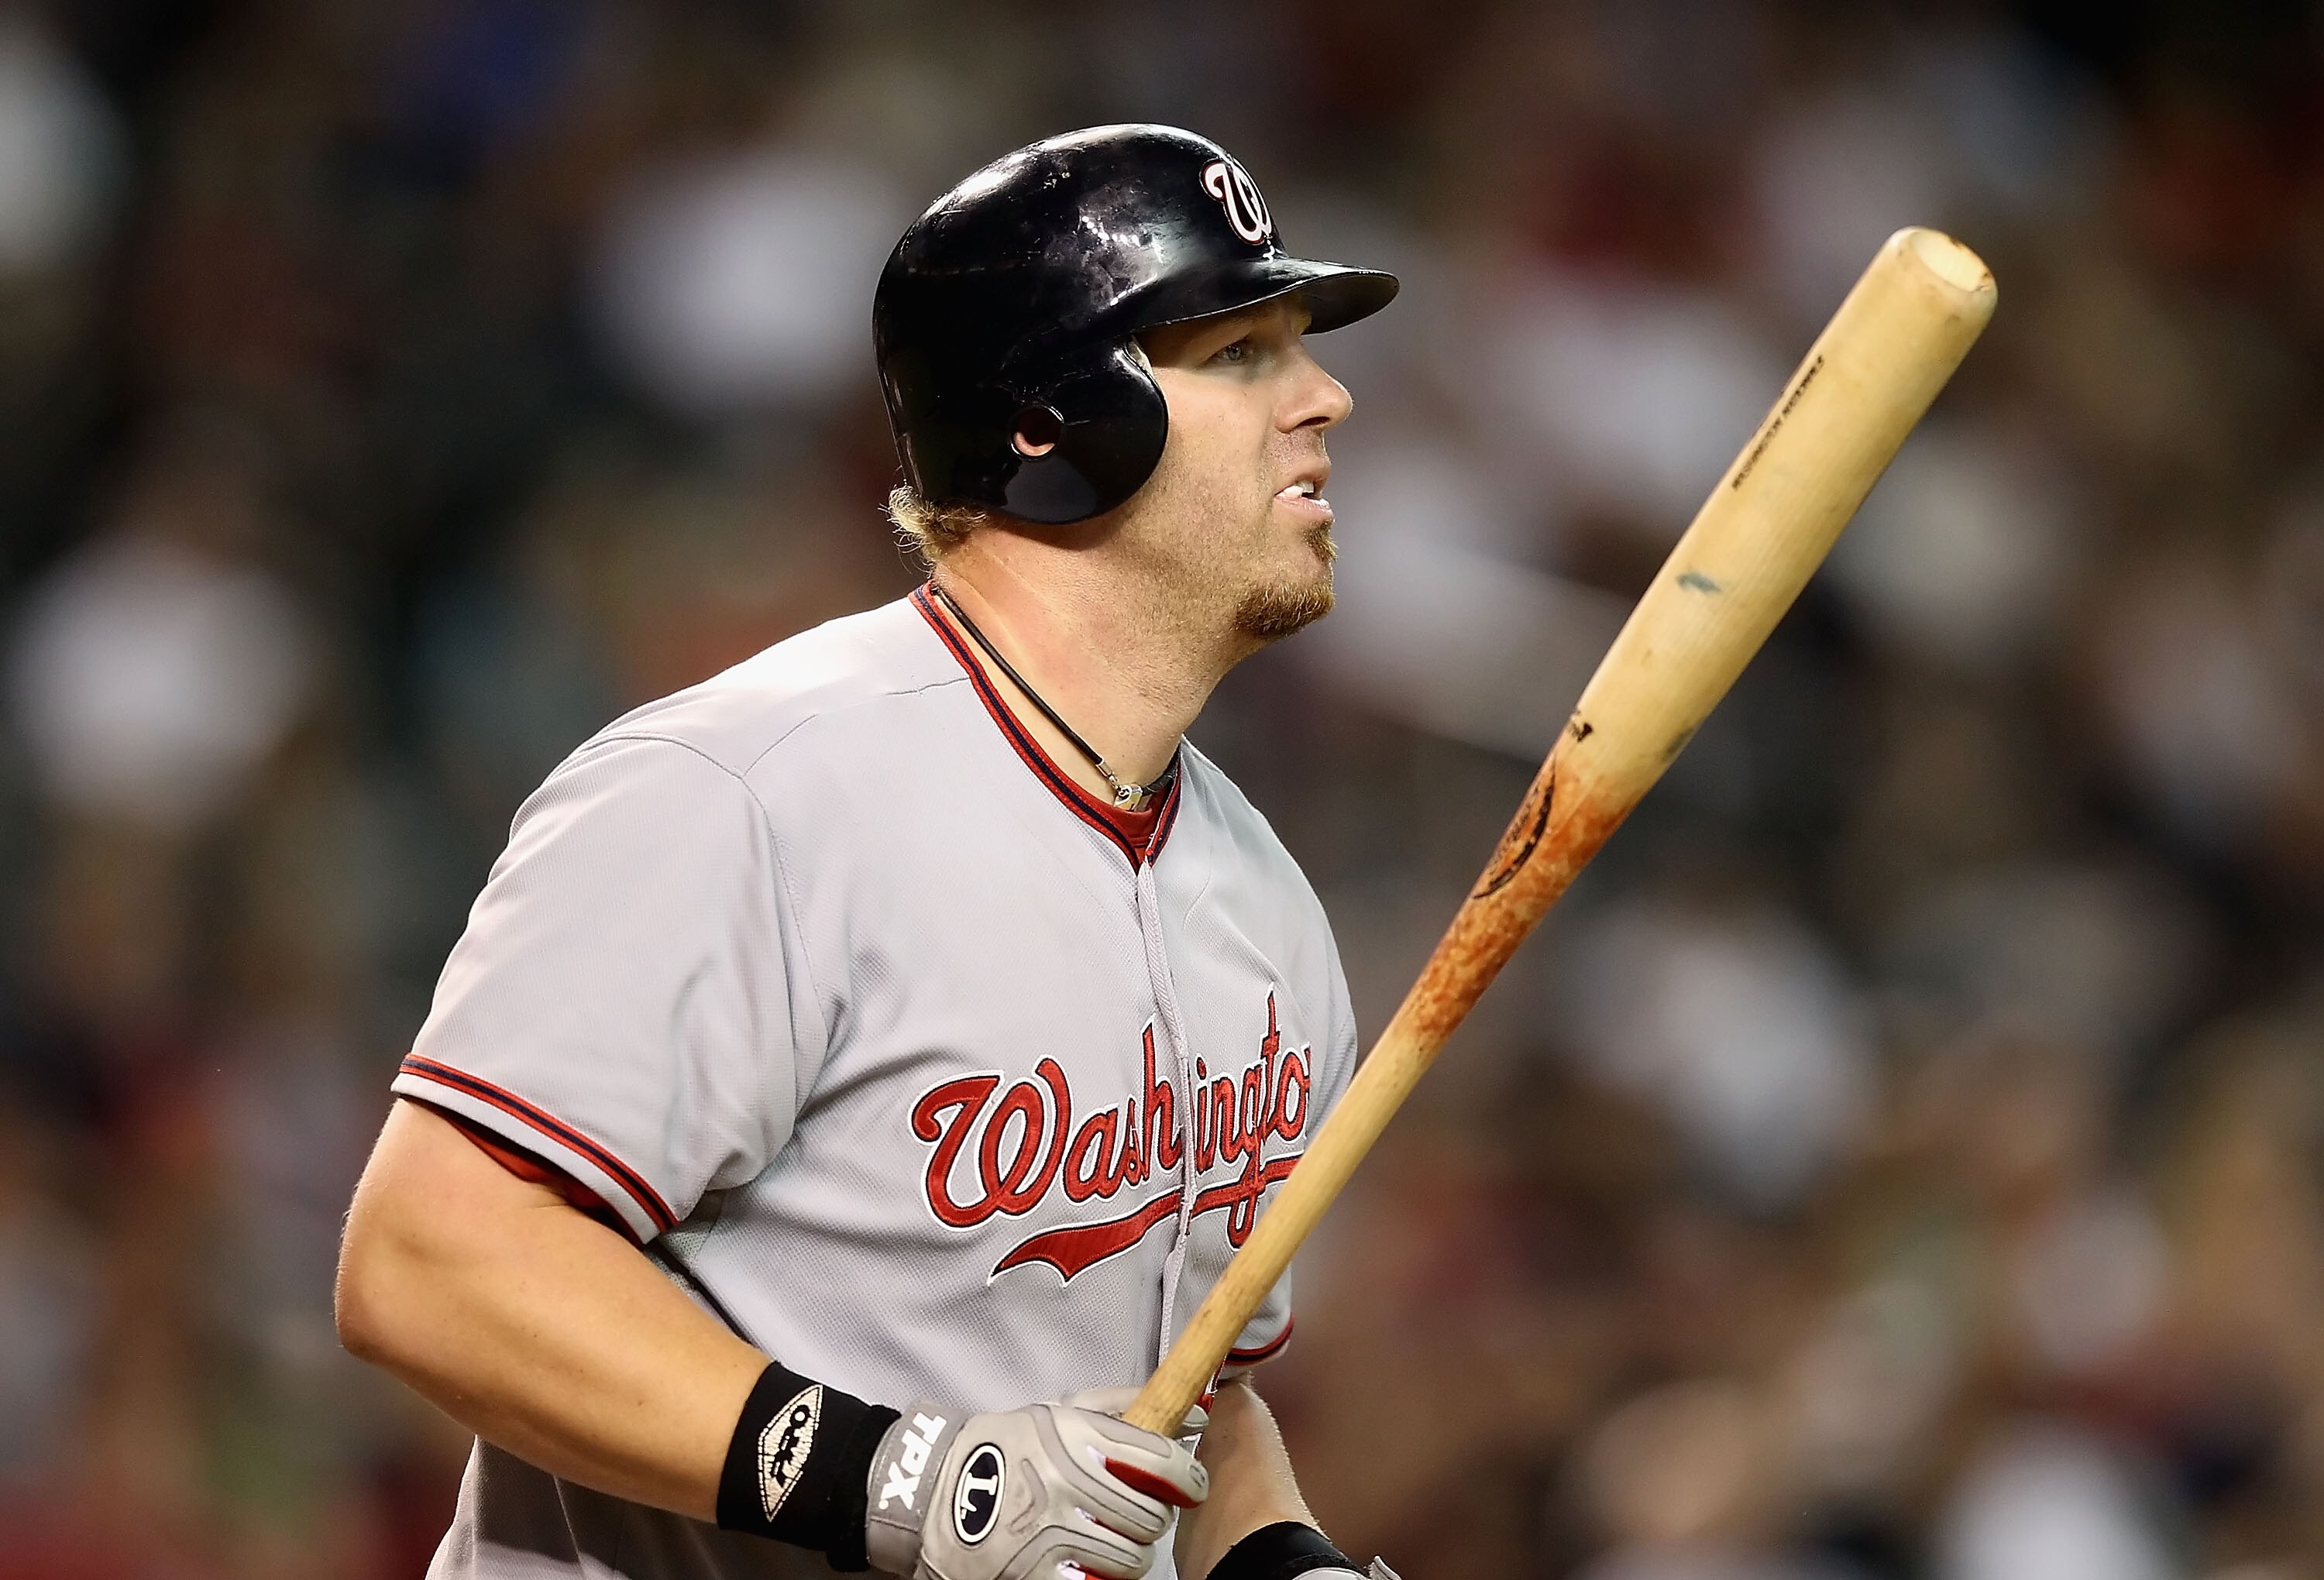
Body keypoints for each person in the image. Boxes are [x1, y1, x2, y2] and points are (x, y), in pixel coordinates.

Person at [335, 123, 1401, 1580]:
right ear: (1053, 422)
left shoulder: (1265, 901)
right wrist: (899, 1479)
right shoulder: (750, 792)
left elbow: (1189, 1409)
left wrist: (1286, 1566)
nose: (1326, 397)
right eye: (1242, 355)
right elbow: (430, 1262)